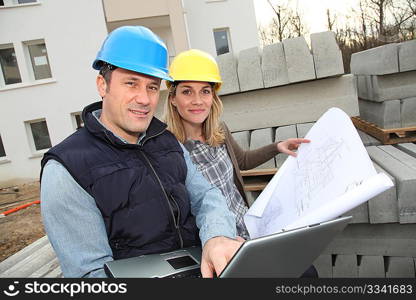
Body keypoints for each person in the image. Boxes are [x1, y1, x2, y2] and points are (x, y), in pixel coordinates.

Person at [40, 26, 242, 278]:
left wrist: (217, 236)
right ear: (103, 85)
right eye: (131, 84)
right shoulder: (66, 170)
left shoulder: (167, 142)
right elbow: (90, 276)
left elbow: (206, 197)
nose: (144, 99)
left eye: (152, 87)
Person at [164, 49, 310, 240]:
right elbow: (179, 212)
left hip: (249, 226)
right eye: (187, 92)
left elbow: (242, 161)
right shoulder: (168, 149)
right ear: (173, 98)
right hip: (219, 240)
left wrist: (277, 147)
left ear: (213, 97)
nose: (198, 101)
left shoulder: (219, 130)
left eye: (205, 91)